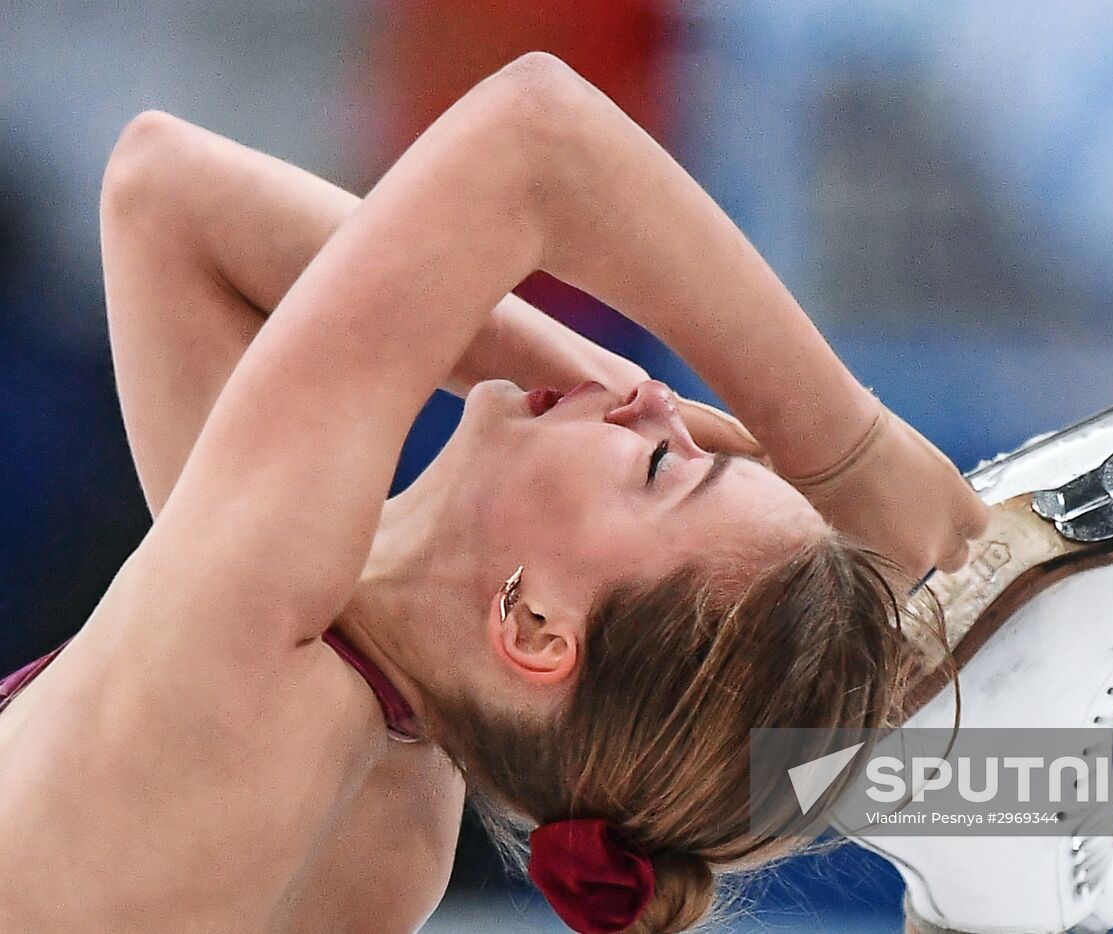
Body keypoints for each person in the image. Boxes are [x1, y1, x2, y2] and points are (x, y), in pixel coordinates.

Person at [0, 52, 991, 933]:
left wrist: (844, 444)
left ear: (535, 627)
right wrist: (606, 387)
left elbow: (535, 137)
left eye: (661, 467)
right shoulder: (396, 817)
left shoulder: (253, 659)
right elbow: (174, 206)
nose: (655, 405)